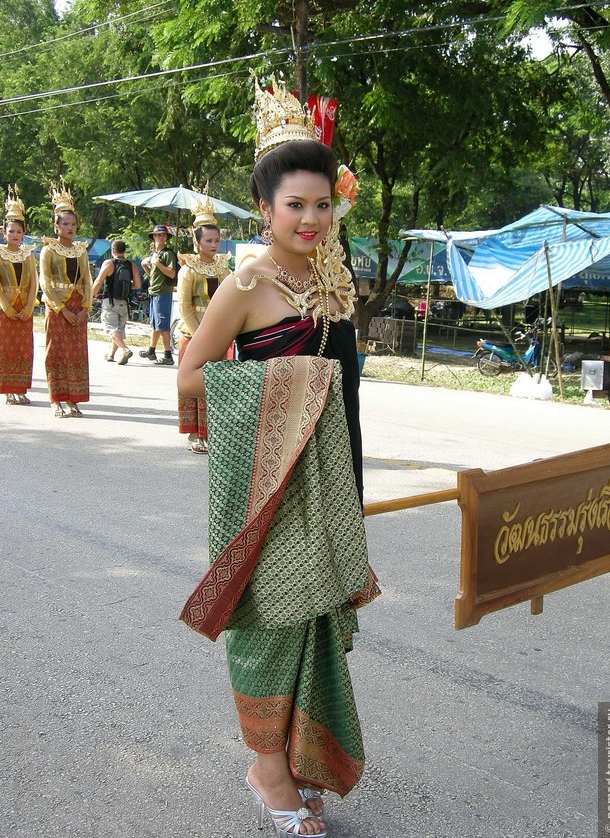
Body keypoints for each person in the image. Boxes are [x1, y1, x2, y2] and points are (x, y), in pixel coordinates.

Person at [178, 75, 378, 837]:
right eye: (294, 205)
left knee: (317, 619)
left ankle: (297, 758)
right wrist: (293, 379)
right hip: (266, 486)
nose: (311, 217)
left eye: (322, 203)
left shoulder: (331, 277)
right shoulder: (246, 282)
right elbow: (192, 379)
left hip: (328, 481)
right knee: (269, 623)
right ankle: (266, 772)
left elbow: (346, 388)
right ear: (263, 209)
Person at [175, 195, 231, 452]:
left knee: (216, 385)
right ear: (197, 242)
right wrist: (201, 336)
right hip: (194, 334)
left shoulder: (224, 269)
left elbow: (231, 299)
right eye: (208, 240)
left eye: (217, 240)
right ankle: (193, 435)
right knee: (193, 385)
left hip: (218, 334)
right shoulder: (188, 269)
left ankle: (213, 433)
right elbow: (185, 307)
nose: (214, 245)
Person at [39, 182, 92, 417]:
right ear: (56, 226)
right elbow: (45, 282)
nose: (70, 228)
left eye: (73, 224)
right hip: (58, 307)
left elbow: (87, 282)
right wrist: (61, 308)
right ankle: (55, 398)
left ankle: (73, 398)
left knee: (76, 354)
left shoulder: (81, 250)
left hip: (78, 306)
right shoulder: (48, 250)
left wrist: (85, 308)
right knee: (56, 352)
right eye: (65, 224)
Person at [0, 186, 38, 405]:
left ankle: (21, 388)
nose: (15, 235)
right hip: (5, 306)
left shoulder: (28, 255)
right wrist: (7, 307)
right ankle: (8, 389)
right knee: (6, 347)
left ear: (23, 234)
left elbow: (34, 283)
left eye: (19, 232)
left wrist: (27, 308)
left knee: (24, 349)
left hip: (24, 307)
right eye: (11, 231)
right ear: (4, 232)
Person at [91, 239, 142, 365]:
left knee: (111, 328)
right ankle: (111, 355)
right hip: (124, 302)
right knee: (118, 329)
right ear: (124, 251)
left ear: (113, 250)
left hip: (110, 301)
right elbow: (138, 285)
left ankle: (125, 350)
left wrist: (90, 295)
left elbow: (98, 281)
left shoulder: (109, 263)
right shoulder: (132, 265)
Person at [139, 224, 177, 365]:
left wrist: (158, 264)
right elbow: (154, 276)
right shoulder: (155, 255)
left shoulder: (168, 254)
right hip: (154, 291)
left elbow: (171, 273)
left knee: (162, 324)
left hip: (163, 292)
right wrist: (145, 265)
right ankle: (151, 350)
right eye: (158, 235)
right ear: (153, 237)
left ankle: (167, 355)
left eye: (163, 235)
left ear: (166, 238)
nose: (160, 237)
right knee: (155, 324)